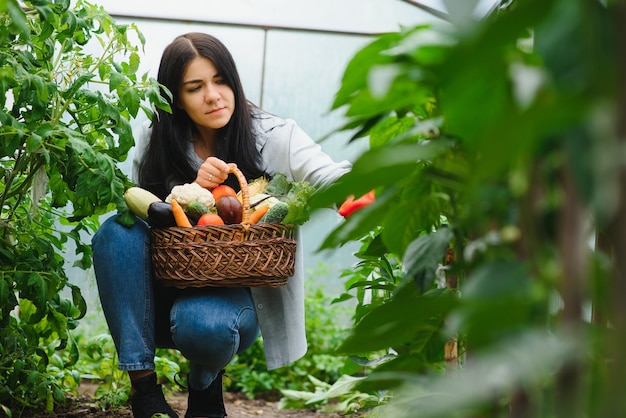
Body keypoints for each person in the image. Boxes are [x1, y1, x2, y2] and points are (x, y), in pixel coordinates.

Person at [91, 32, 352, 418]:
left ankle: (205, 385)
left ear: (233, 81)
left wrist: (363, 195)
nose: (213, 95)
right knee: (116, 231)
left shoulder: (273, 135)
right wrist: (193, 189)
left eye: (220, 81)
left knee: (205, 324)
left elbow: (329, 175)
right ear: (177, 98)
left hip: (230, 305)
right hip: (162, 293)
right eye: (195, 87)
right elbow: (143, 214)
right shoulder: (156, 137)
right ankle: (144, 391)